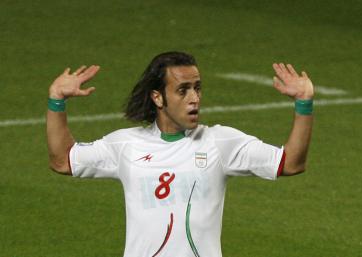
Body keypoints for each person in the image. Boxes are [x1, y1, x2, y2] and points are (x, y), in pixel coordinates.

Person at [46, 51, 314, 257]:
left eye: (197, 87)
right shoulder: (126, 146)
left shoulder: (220, 142)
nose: (194, 98)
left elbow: (290, 163)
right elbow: (63, 160)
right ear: (158, 97)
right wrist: (56, 99)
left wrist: (304, 104)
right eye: (183, 90)